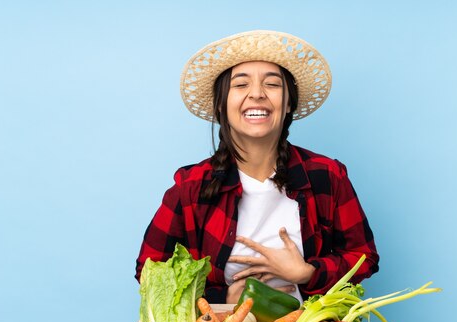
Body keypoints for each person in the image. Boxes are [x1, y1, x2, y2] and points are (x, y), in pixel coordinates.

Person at [135, 30, 379, 304]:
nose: (257, 94)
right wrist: (221, 298)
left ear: (288, 104)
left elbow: (363, 257)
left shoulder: (326, 176)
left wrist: (307, 273)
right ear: (220, 105)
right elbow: (150, 272)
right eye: (240, 85)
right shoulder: (190, 187)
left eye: (272, 85)